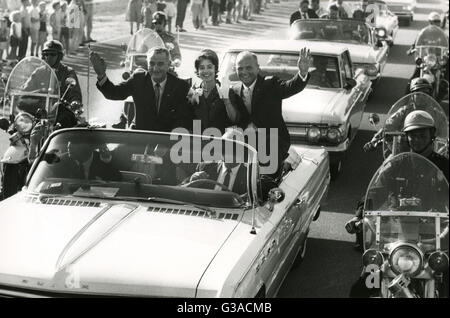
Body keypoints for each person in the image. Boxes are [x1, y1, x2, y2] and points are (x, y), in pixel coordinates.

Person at [228, 48, 311, 178]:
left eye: (248, 67)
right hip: (248, 147)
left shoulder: (270, 84)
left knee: (267, 185)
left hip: (273, 146)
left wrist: (302, 72)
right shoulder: (234, 90)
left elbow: (291, 87)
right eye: (240, 68)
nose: (244, 72)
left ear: (257, 68)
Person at [90, 46, 193, 132]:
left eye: (160, 64)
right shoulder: (138, 79)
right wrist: (101, 75)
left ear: (168, 65)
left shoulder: (180, 86)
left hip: (166, 141)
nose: (155, 68)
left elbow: (183, 120)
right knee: (116, 155)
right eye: (152, 63)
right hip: (139, 136)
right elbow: (114, 93)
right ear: (147, 64)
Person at [186, 129, 248, 195]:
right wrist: (191, 182)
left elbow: (257, 200)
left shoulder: (249, 175)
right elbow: (180, 190)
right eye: (224, 146)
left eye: (233, 147)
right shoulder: (205, 167)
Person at [188, 49, 234, 134]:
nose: (205, 71)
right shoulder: (192, 92)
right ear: (197, 71)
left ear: (215, 68)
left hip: (221, 142)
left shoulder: (227, 90)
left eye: (209, 67)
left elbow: (235, 119)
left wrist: (226, 100)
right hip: (198, 142)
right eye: (202, 68)